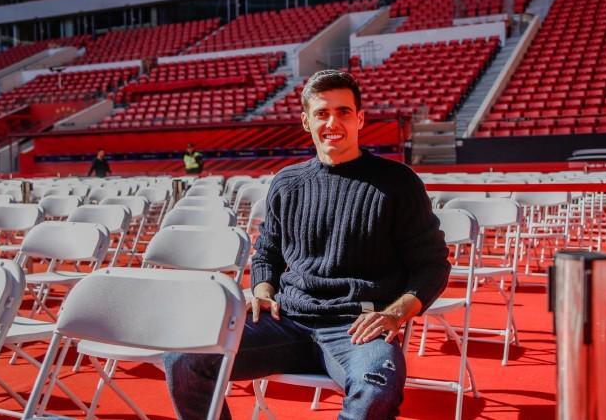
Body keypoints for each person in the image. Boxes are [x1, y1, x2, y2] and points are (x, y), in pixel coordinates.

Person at [164, 70, 451, 419]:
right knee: (184, 356)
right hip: (287, 320)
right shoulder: (287, 183)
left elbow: (433, 264)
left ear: (360, 119)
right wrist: (263, 290)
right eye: (322, 113)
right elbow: (267, 252)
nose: (333, 122)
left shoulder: (398, 183)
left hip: (356, 326)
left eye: (343, 112)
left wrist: (395, 313)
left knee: (376, 387)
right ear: (306, 121)